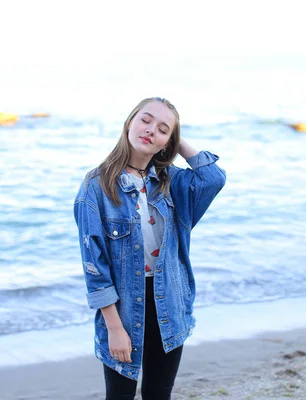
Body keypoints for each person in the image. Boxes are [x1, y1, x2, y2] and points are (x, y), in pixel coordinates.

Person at [74, 97, 226, 399]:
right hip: (124, 310)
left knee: (159, 394)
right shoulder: (96, 185)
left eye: (162, 129)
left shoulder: (174, 183)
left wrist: (177, 143)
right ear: (130, 121)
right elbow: (95, 267)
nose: (150, 130)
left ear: (168, 142)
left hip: (169, 302)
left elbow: (212, 178)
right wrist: (115, 328)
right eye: (145, 120)